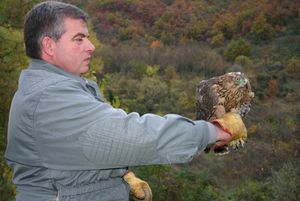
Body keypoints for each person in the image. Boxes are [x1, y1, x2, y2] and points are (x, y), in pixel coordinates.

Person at [5, 1, 247, 201]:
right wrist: (212, 131)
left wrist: (120, 177)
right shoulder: (50, 99)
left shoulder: (55, 89)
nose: (90, 46)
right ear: (48, 45)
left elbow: (82, 153)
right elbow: (133, 136)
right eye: (79, 39)